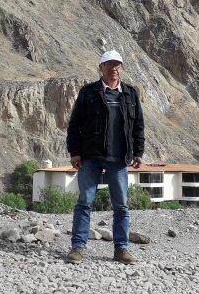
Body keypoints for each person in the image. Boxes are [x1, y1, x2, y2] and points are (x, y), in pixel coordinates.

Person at [65, 50, 145, 264]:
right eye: (109, 65)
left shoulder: (130, 93)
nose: (113, 69)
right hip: (90, 157)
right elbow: (74, 125)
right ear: (101, 68)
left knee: (121, 206)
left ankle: (121, 249)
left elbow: (138, 126)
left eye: (117, 65)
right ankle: (78, 247)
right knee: (84, 202)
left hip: (118, 159)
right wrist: (75, 152)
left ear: (122, 68)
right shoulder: (88, 92)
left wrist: (138, 152)